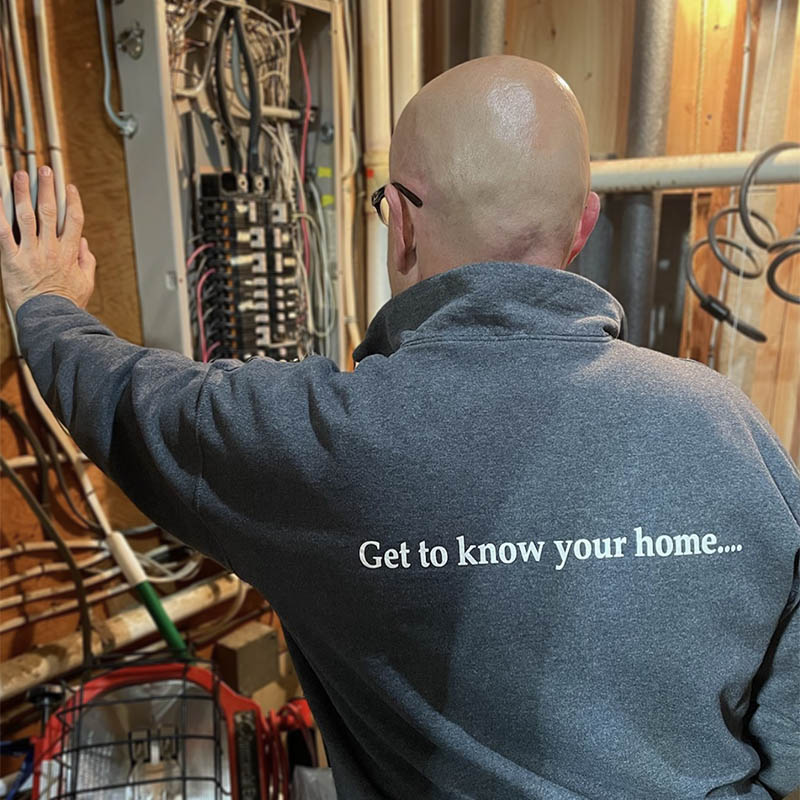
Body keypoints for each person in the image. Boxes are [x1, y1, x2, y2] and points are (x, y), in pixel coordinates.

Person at [1, 56, 798, 800]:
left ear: (406, 224)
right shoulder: (727, 421)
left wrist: (43, 303)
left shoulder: (324, 444)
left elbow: (130, 403)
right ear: (583, 224)